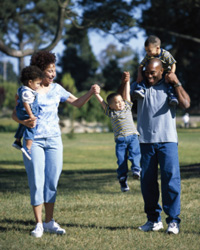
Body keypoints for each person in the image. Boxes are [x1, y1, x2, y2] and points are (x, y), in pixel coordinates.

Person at [12, 50, 100, 238]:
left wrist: (91, 93)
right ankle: (38, 224)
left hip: (54, 141)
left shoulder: (57, 89)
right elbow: (15, 114)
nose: (53, 74)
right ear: (39, 70)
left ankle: (49, 221)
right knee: (37, 181)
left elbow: (77, 103)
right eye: (49, 70)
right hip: (33, 141)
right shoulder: (28, 89)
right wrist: (24, 122)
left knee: (51, 181)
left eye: (54, 70)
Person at [130, 58, 190, 234]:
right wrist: (130, 82)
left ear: (161, 71)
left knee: (171, 181)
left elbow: (186, 104)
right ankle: (153, 220)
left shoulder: (170, 86)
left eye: (153, 73)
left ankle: (173, 221)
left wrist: (177, 82)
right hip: (145, 141)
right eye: (146, 72)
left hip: (168, 141)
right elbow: (124, 100)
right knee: (147, 183)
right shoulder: (140, 85)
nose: (149, 76)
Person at [95, 72, 141, 192]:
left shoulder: (127, 107)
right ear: (111, 106)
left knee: (135, 154)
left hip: (133, 137)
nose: (120, 103)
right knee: (121, 161)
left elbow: (127, 94)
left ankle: (136, 169)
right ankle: (122, 180)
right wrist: (96, 94)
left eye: (121, 101)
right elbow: (102, 103)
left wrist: (127, 82)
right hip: (120, 140)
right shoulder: (111, 112)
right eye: (117, 102)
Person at [133, 35, 178, 106]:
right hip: (153, 73)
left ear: (157, 48)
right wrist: (139, 75)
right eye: (146, 51)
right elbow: (141, 65)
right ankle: (140, 89)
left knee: (170, 83)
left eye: (149, 51)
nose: (147, 53)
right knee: (144, 74)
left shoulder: (165, 54)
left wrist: (171, 74)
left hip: (165, 72)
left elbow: (173, 64)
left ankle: (172, 95)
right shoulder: (148, 55)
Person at [12, 66, 44, 160]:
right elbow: (26, 104)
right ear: (30, 82)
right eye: (38, 83)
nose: (38, 86)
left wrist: (17, 104)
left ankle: (17, 141)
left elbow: (16, 97)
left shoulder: (21, 89)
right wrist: (31, 115)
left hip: (20, 112)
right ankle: (28, 148)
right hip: (27, 112)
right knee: (31, 127)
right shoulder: (28, 92)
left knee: (22, 125)